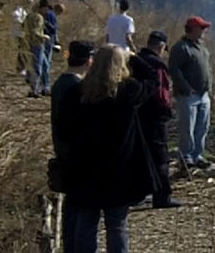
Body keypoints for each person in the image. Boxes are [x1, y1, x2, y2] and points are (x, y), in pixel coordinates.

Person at [61, 44, 159, 253]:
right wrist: (133, 57)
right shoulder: (127, 92)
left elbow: (64, 131)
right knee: (117, 226)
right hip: (119, 172)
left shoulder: (76, 94)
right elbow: (153, 78)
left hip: (84, 170)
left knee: (85, 225)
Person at [50, 40, 95, 253]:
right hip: (77, 154)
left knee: (72, 206)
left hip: (63, 150)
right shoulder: (76, 87)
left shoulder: (60, 83)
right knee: (82, 209)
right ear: (89, 60)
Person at [129, 30, 181, 208]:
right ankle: (162, 196)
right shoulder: (157, 65)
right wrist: (167, 110)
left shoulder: (137, 60)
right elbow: (161, 93)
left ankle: (138, 193)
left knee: (141, 154)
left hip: (138, 113)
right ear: (161, 47)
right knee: (160, 157)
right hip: (154, 116)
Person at [169, 16, 213, 168]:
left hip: (203, 95)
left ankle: (197, 155)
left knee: (202, 127)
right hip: (189, 96)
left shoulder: (201, 48)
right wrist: (186, 88)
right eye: (201, 28)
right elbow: (174, 70)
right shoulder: (181, 48)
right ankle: (185, 156)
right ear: (193, 29)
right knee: (187, 127)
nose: (204, 31)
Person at [23, 0, 51, 97]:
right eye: (46, 9)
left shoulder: (28, 16)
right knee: (38, 68)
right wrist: (45, 37)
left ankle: (44, 88)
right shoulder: (38, 17)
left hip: (30, 43)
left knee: (44, 66)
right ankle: (35, 90)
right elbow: (35, 31)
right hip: (37, 44)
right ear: (42, 8)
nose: (47, 11)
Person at [11, 0, 34, 79]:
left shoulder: (24, 11)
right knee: (22, 52)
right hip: (19, 34)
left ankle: (22, 68)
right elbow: (15, 18)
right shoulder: (18, 11)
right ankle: (21, 69)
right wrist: (24, 24)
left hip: (23, 34)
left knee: (23, 52)